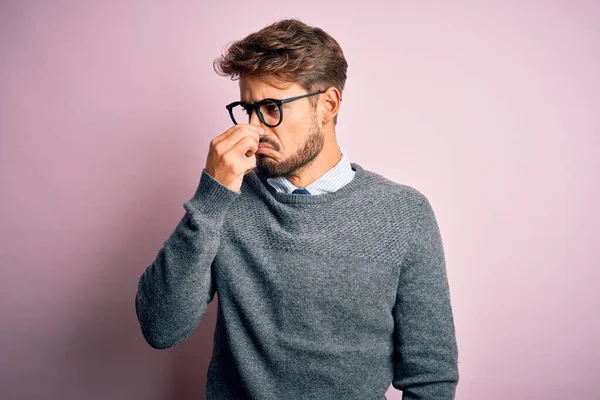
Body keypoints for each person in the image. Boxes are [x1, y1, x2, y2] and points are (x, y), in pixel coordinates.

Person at [135, 18, 459, 400]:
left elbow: (431, 376)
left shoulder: (404, 213)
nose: (255, 127)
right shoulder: (225, 201)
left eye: (271, 107)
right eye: (248, 108)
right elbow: (161, 327)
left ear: (328, 104)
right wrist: (210, 199)